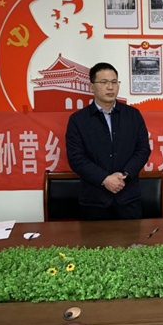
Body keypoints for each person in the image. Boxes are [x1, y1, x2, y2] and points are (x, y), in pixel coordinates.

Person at [66, 62, 151, 220]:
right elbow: (76, 158)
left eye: (114, 82)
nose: (110, 87)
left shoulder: (133, 115)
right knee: (95, 237)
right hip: (94, 201)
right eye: (104, 82)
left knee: (132, 237)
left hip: (128, 198)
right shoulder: (78, 120)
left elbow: (143, 150)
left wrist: (124, 175)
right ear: (92, 87)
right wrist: (104, 179)